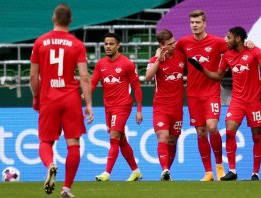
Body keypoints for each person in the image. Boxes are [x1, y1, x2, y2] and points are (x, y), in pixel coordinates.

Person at [188, 26, 261, 181]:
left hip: (254, 101)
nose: (226, 40)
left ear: (238, 38)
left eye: (229, 37)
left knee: (257, 137)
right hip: (237, 101)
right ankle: (232, 171)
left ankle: (255, 174)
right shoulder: (227, 55)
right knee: (229, 132)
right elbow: (218, 75)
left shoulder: (254, 51)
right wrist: (201, 69)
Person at [29, 3, 93, 198]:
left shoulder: (40, 42)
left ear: (53, 19)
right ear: (71, 21)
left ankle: (50, 165)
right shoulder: (77, 44)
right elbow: (84, 77)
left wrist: (36, 97)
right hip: (70, 97)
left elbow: (33, 76)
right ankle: (66, 189)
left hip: (49, 97)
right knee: (73, 144)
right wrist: (89, 104)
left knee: (45, 141)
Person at [175, 9, 227, 181]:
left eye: (198, 22)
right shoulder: (183, 43)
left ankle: (220, 167)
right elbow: (173, 57)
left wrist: (249, 45)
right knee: (201, 131)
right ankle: (208, 172)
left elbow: (235, 48)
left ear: (205, 23)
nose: (195, 26)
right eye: (192, 23)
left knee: (212, 127)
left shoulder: (217, 42)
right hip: (193, 93)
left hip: (211, 91)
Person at [91, 32, 143, 182]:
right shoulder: (100, 64)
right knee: (121, 140)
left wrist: (139, 110)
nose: (108, 46)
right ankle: (136, 171)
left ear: (118, 45)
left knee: (114, 137)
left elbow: (137, 87)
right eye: (106, 44)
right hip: (108, 107)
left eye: (111, 44)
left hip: (123, 105)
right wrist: (85, 94)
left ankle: (106, 173)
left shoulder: (127, 63)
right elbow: (93, 82)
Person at [145, 29, 186, 181]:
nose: (173, 46)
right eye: (169, 44)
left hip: (177, 107)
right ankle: (165, 169)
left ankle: (167, 173)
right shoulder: (155, 60)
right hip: (161, 107)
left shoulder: (181, 56)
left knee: (173, 140)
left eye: (174, 42)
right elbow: (148, 77)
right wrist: (157, 59)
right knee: (163, 136)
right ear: (161, 45)